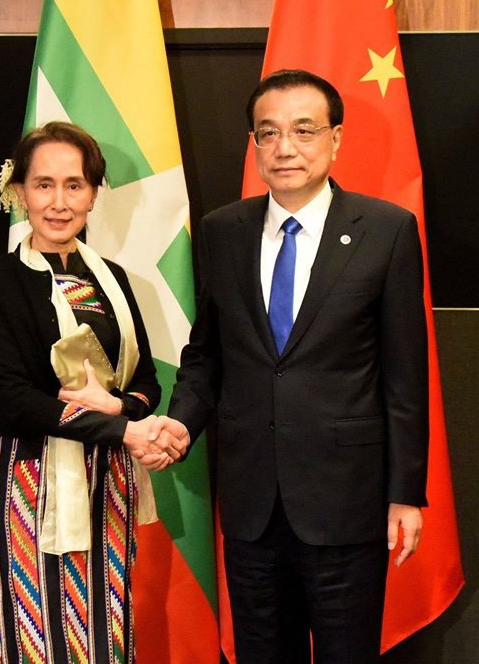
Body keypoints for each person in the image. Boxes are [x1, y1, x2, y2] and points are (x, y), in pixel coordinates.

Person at [156, 69, 429, 663]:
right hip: (252, 503)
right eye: (269, 132)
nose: (285, 147)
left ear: (336, 139)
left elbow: (406, 376)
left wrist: (406, 493)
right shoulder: (221, 231)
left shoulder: (386, 231)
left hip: (347, 502)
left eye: (304, 130)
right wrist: (179, 424)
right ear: (253, 143)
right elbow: (207, 355)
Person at [0, 121, 186, 664]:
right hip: (26, 479)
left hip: (107, 479)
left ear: (92, 194)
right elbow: (13, 397)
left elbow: (146, 382)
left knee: (104, 633)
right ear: (19, 191)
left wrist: (120, 411)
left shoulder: (113, 279)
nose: (59, 202)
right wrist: (124, 429)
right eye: (44, 185)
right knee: (30, 635)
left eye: (74, 185)